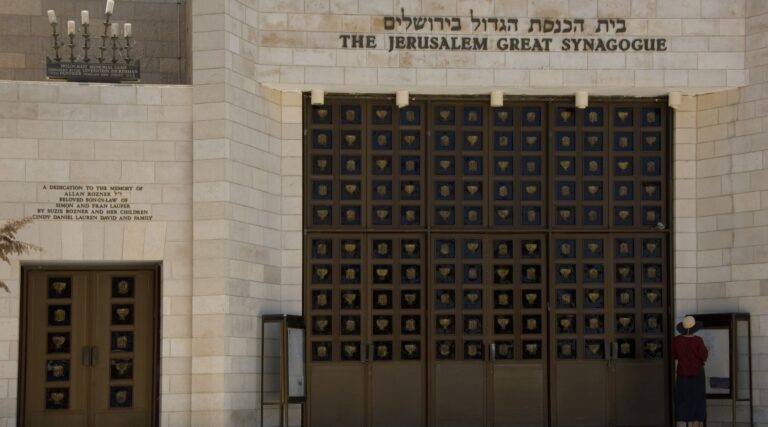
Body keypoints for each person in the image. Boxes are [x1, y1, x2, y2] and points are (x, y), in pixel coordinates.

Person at [672, 315, 708, 427]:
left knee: (682, 401)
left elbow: (674, 355)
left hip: (682, 375)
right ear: (694, 327)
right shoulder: (698, 340)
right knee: (697, 401)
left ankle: (681, 424)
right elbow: (704, 356)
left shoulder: (677, 340)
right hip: (697, 375)